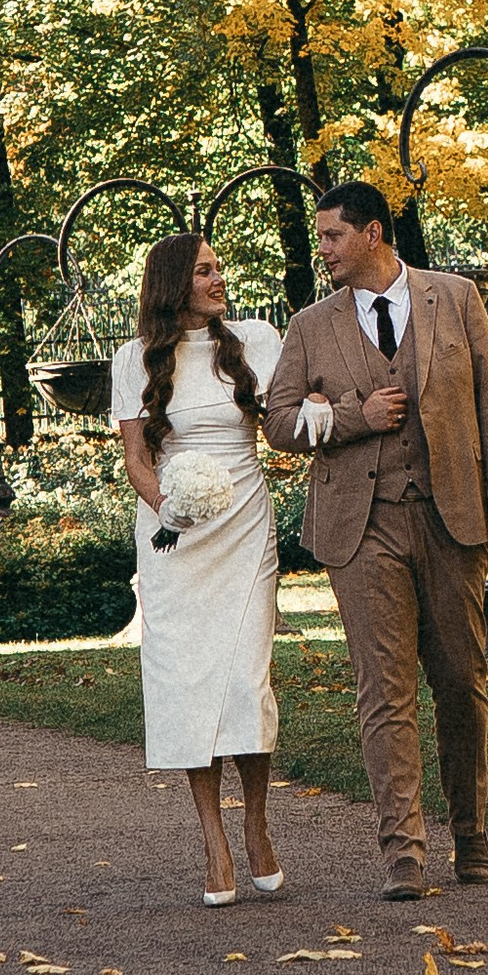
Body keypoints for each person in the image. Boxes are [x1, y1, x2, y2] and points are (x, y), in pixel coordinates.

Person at [260, 180, 488, 899]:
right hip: (362, 526)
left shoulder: (456, 297)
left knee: (461, 684)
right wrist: (353, 415)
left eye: (333, 238)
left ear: (373, 233)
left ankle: (470, 837)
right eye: (319, 239)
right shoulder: (311, 325)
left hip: (453, 519)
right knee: (385, 692)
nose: (323, 252)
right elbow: (279, 424)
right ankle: (403, 855)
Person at [111, 233, 285, 907]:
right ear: (175, 283)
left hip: (244, 529)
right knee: (187, 685)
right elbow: (136, 461)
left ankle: (259, 822)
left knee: (246, 678)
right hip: (176, 539)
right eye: (205, 270)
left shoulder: (255, 341)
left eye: (219, 267)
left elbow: (282, 425)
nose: (219, 278)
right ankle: (212, 838)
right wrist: (170, 508)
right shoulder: (135, 360)